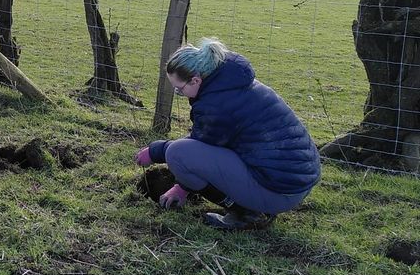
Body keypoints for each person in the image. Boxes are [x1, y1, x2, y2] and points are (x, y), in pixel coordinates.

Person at [136, 37, 320, 231]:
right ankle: (252, 205)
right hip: (296, 182)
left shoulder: (216, 105)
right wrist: (182, 187)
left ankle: (247, 213)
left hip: (279, 192)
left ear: (196, 80)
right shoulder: (233, 85)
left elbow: (192, 151)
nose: (179, 94)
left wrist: (156, 151)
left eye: (179, 90)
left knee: (176, 153)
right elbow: (211, 148)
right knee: (186, 152)